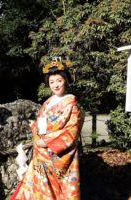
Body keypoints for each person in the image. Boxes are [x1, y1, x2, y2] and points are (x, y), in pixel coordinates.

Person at [10, 57, 84, 200]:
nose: (55, 85)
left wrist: (48, 141)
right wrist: (35, 126)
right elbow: (42, 123)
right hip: (40, 154)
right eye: (51, 82)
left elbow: (72, 131)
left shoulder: (72, 105)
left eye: (59, 81)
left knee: (58, 191)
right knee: (38, 189)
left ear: (66, 81)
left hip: (56, 155)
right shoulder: (47, 103)